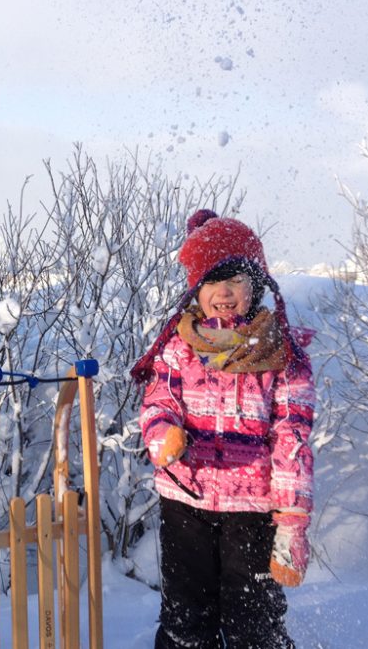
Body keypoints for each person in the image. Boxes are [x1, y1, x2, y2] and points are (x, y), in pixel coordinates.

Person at [130, 210, 315, 649]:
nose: (225, 293)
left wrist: (291, 524)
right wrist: (163, 435)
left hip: (252, 512)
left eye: (236, 280)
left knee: (254, 622)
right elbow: (158, 402)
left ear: (258, 285)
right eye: (213, 282)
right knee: (185, 618)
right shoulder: (177, 346)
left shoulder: (280, 354)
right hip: (185, 504)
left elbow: (293, 441)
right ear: (197, 289)